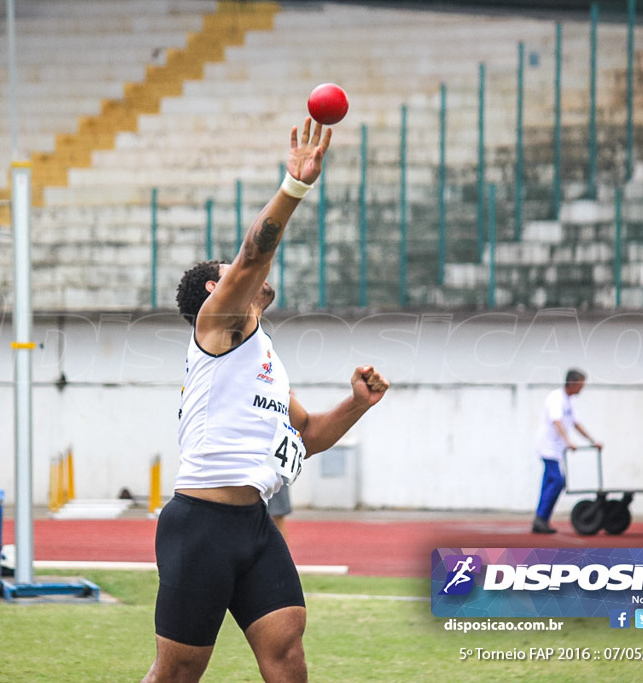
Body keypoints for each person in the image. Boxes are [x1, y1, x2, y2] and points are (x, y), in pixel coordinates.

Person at [143, 118, 389, 683]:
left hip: (254, 525)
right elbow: (255, 252)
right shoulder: (217, 326)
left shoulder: (266, 361)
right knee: (178, 672)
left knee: (287, 652)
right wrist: (295, 186)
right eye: (228, 272)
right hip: (199, 525)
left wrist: (356, 404)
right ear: (216, 288)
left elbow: (308, 438)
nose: (243, 271)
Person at [531, 368, 602, 534]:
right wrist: (568, 441)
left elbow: (576, 423)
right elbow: (557, 421)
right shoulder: (556, 398)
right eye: (580, 385)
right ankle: (541, 518)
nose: (582, 389)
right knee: (557, 481)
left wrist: (592, 441)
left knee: (549, 483)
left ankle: (540, 520)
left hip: (557, 449)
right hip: (548, 447)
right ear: (572, 383)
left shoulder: (571, 400)